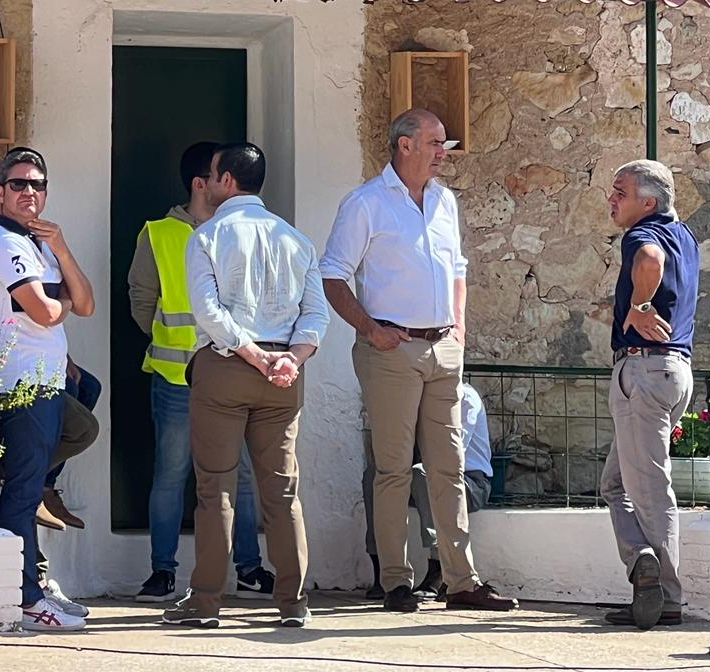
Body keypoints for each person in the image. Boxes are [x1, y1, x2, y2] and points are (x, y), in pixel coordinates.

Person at [320, 108, 516, 614]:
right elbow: (334, 275)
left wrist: (459, 331)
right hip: (391, 349)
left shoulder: (445, 201)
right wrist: (371, 330)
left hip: (442, 349)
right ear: (404, 145)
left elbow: (457, 269)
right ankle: (395, 581)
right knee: (393, 469)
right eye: (433, 143)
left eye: (443, 144)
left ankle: (461, 581)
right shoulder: (365, 203)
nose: (442, 153)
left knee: (448, 467)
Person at [162, 142, 329, 629]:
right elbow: (315, 315)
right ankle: (293, 602)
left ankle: (206, 601)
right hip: (282, 374)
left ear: (228, 181)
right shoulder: (297, 240)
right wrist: (290, 359)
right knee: (281, 491)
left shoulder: (208, 236)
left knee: (216, 489)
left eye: (213, 175)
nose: (209, 183)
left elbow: (208, 312)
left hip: (227, 366)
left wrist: (252, 355)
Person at [0, 154, 98, 618]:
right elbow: (47, 312)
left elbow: (85, 304)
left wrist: (64, 252)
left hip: (45, 380)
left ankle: (28, 588)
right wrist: (63, 299)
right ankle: (26, 597)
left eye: (37, 185)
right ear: (0, 193)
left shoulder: (41, 242)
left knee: (28, 485)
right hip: (21, 383)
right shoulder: (4, 244)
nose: (27, 192)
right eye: (16, 185)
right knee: (23, 492)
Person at [127, 142, 275, 602]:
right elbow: (141, 303)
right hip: (176, 378)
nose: (227, 180)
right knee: (171, 474)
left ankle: (249, 568)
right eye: (219, 173)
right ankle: (163, 572)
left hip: (235, 374)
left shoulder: (241, 230)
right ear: (201, 184)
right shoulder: (157, 233)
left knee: (244, 475)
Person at [601, 160, 698, 630]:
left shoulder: (643, 236)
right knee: (616, 485)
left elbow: (649, 263)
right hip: (674, 370)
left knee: (649, 490)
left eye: (620, 192)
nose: (611, 199)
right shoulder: (687, 237)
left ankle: (669, 597)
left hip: (642, 369)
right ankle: (645, 565)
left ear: (648, 202)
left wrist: (638, 306)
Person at [362, 382, 494, 600]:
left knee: (423, 473)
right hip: (418, 475)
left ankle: (438, 570)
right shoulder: (413, 397)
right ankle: (383, 570)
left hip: (469, 482)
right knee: (375, 475)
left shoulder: (464, 397)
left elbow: (450, 454)